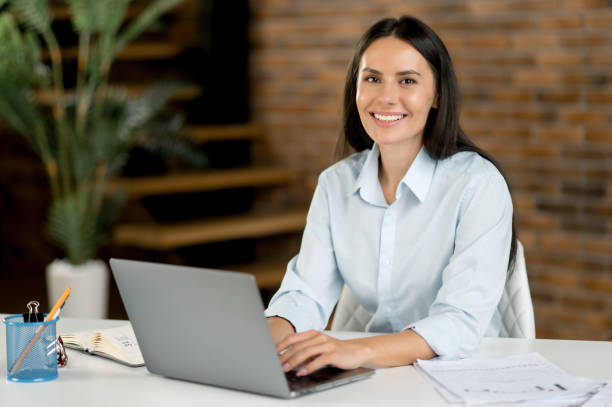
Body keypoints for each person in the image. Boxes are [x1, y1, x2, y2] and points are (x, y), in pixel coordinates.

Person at [264, 15, 518, 377]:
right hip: (379, 377)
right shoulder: (335, 185)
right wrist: (260, 344)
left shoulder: (477, 184)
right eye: (372, 79)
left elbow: (458, 322)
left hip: (463, 376)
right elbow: (305, 294)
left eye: (407, 81)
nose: (386, 97)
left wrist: (354, 350)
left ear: (437, 96)